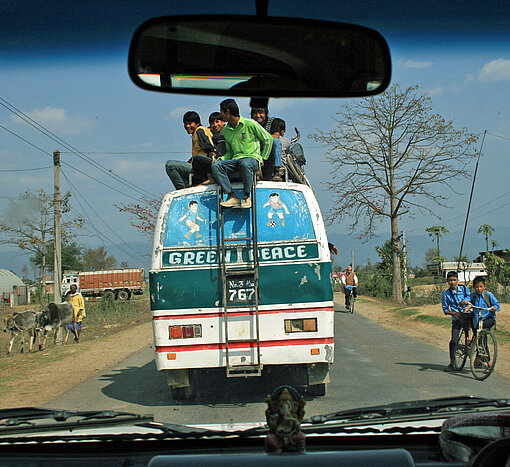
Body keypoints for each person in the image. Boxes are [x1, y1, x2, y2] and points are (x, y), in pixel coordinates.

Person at [212, 99, 273, 209]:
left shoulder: (250, 124)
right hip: (236, 160)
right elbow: (230, 152)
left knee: (245, 164)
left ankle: (247, 196)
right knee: (216, 166)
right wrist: (220, 159)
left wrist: (263, 158)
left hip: (251, 159)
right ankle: (232, 197)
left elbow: (268, 139)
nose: (221, 115)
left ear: (227, 112)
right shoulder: (226, 130)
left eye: (222, 112)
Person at [165, 111, 215, 189]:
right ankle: (188, 186)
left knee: (170, 165)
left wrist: (210, 173)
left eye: (190, 123)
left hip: (201, 167)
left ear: (197, 123)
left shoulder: (200, 131)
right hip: (197, 166)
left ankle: (182, 189)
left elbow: (209, 149)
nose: (187, 126)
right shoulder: (198, 132)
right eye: (185, 124)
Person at [441, 271, 471, 372]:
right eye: (450, 280)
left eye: (454, 280)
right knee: (454, 340)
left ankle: (480, 358)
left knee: (476, 335)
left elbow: (470, 299)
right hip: (456, 318)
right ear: (447, 281)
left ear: (457, 280)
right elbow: (445, 310)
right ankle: (452, 361)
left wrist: (466, 305)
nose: (452, 282)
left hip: (467, 316)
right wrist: (454, 313)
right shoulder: (446, 294)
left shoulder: (464, 289)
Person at [191, 112, 226, 185]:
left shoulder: (226, 133)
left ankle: (210, 178)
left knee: (198, 158)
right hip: (216, 160)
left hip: (222, 161)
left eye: (217, 122)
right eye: (212, 123)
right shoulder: (213, 135)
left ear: (224, 122)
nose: (215, 125)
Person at [250, 106, 282, 180]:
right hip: (255, 151)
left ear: (265, 113)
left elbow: (276, 135)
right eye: (255, 113)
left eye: (260, 113)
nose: (258, 115)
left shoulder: (273, 122)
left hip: (269, 152)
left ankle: (277, 171)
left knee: (276, 141)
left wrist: (263, 138)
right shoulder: (250, 124)